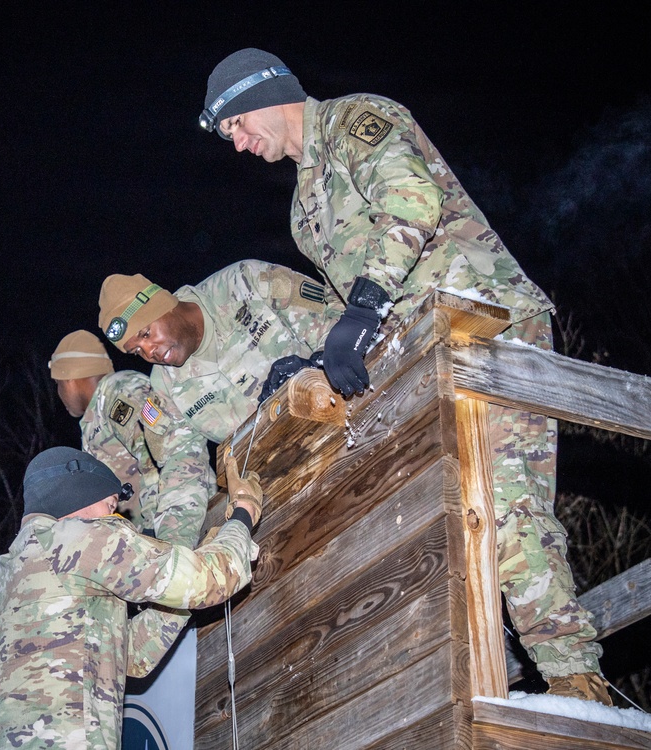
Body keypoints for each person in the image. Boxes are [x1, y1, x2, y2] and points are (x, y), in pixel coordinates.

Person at [197, 48, 612, 704]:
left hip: (487, 319)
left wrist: (363, 307)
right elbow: (346, 298)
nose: (241, 147)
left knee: (507, 504)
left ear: (263, 97)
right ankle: (494, 683)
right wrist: (316, 353)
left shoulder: (359, 119)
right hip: (422, 350)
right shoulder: (303, 211)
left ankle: (578, 683)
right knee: (449, 514)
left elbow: (412, 204)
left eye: (239, 129)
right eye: (231, 140)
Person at [0, 446, 263, 749]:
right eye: (110, 505)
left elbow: (129, 656)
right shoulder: (75, 539)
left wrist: (179, 599)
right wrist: (243, 512)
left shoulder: (16, 568)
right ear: (79, 492)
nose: (112, 516)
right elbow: (209, 580)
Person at [98, 258, 338, 549]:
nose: (150, 352)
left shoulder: (245, 283)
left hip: (348, 419)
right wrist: (174, 555)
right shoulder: (164, 388)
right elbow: (183, 473)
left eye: (146, 334)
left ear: (163, 304)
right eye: (137, 351)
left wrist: (314, 369)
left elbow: (335, 323)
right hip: (283, 487)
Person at [48, 329, 160, 532]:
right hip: (145, 538)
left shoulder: (117, 390)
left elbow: (158, 452)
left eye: (58, 384)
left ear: (69, 379)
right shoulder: (93, 420)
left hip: (171, 526)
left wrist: (157, 528)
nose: (59, 393)